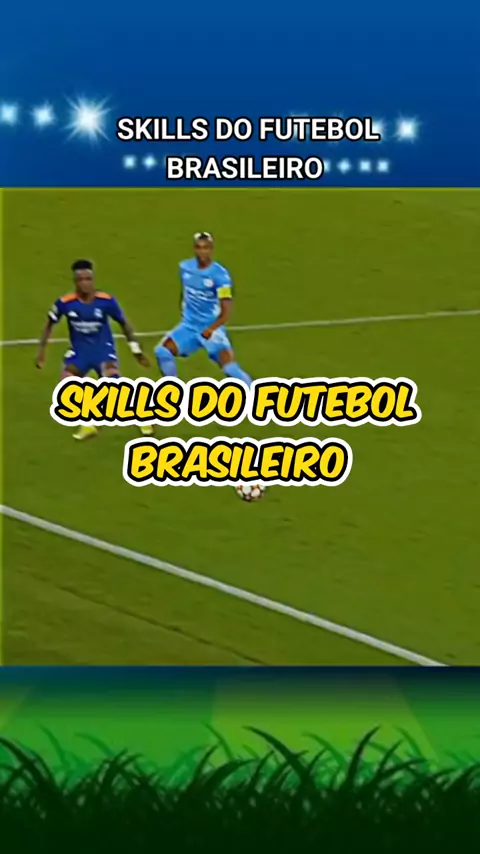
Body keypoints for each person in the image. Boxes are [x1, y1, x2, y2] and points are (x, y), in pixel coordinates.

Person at [36, 258, 153, 441]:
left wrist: (136, 350)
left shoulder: (106, 301)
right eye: (80, 279)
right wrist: (41, 351)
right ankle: (88, 424)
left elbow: (124, 324)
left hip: (103, 350)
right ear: (75, 282)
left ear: (93, 279)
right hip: (80, 352)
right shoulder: (65, 303)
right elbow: (49, 323)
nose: (85, 283)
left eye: (88, 279)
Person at [154, 232, 252, 385]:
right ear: (194, 249)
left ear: (211, 249)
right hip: (189, 326)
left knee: (230, 368)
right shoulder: (185, 267)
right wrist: (184, 313)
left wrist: (211, 329)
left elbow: (226, 311)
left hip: (212, 327)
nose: (202, 252)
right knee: (162, 352)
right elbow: (186, 292)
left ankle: (255, 393)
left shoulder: (220, 276)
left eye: (206, 248)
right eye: (199, 247)